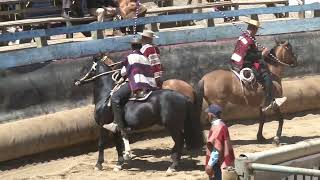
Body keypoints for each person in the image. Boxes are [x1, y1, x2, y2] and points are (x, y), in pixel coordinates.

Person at [230, 19, 287, 112]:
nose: (257, 31)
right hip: (244, 63)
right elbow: (248, 56)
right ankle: (269, 102)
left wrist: (259, 51)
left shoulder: (244, 36)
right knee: (266, 76)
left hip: (235, 61)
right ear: (254, 29)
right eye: (256, 29)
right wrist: (261, 54)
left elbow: (249, 51)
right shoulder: (249, 39)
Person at [103, 38, 157, 134]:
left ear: (132, 47)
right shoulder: (144, 57)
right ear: (140, 47)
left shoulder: (130, 57)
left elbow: (124, 72)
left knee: (115, 98)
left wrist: (119, 73)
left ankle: (118, 125)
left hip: (137, 83)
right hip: (148, 84)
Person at [205, 104, 235, 180]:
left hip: (218, 163)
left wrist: (210, 164)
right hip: (223, 161)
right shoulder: (222, 125)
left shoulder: (217, 128)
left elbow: (216, 149)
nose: (207, 115)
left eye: (208, 113)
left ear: (211, 115)